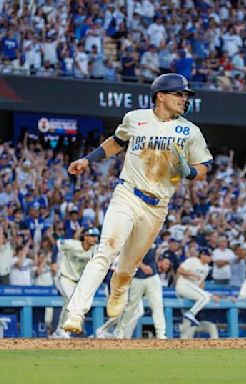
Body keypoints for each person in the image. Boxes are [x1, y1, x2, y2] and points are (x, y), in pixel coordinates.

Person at [62, 74, 212, 333]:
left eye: (186, 95)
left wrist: (187, 171)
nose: (184, 99)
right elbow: (116, 142)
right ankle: (75, 313)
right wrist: (88, 160)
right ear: (160, 96)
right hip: (128, 194)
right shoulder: (135, 118)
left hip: (157, 205)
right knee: (105, 250)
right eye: (179, 94)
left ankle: (119, 287)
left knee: (127, 266)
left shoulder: (190, 131)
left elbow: (203, 170)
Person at [51, 228, 99, 338]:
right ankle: (61, 330)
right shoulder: (73, 244)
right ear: (85, 237)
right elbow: (57, 245)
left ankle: (58, 331)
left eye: (96, 236)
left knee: (69, 303)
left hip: (77, 282)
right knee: (72, 300)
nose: (94, 238)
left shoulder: (95, 249)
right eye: (92, 236)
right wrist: (53, 262)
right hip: (64, 277)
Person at [114, 246, 166, 339]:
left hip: (153, 276)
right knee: (131, 307)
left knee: (158, 304)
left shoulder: (154, 234)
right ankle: (120, 332)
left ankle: (161, 333)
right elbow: (130, 255)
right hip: (137, 277)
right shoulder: (135, 235)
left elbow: (154, 253)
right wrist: (143, 266)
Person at [176, 248, 216, 327]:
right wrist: (190, 274)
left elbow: (201, 283)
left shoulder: (206, 267)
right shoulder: (193, 261)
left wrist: (202, 292)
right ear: (202, 255)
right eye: (208, 256)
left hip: (192, 290)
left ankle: (189, 318)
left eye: (211, 256)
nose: (210, 258)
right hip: (184, 285)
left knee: (186, 322)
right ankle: (191, 313)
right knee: (205, 297)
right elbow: (179, 270)